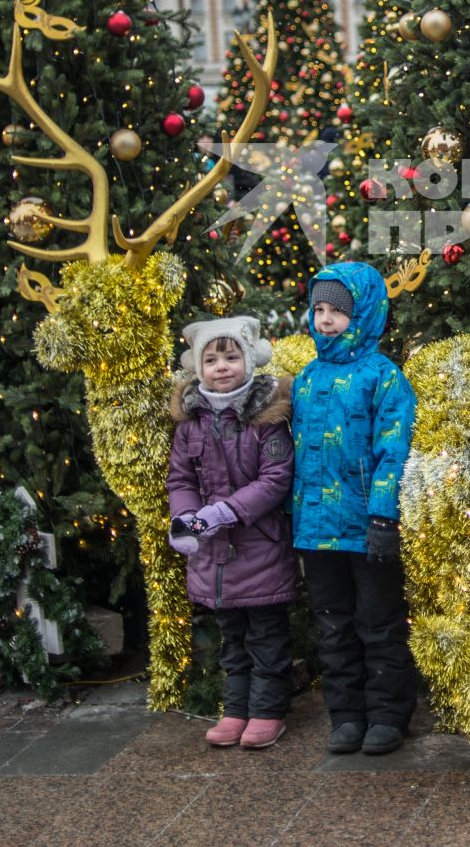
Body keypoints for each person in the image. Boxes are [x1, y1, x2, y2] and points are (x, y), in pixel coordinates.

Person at [290, 262, 418, 756]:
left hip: (366, 528)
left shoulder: (383, 377)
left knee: (378, 621)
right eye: (318, 309)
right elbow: (295, 452)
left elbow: (394, 449)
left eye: (337, 312)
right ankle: (346, 715)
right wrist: (291, 518)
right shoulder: (305, 377)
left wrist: (384, 516)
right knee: (333, 624)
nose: (325, 320)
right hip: (315, 529)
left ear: (363, 313)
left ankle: (387, 713)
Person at [166, 317, 297, 749]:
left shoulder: (266, 417)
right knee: (232, 639)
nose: (222, 366)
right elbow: (181, 479)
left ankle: (267, 711)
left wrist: (224, 512)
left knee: (265, 635)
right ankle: (235, 709)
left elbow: (275, 479)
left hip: (259, 546)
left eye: (231, 356)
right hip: (214, 555)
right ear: (197, 368)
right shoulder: (191, 424)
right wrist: (186, 518)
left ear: (249, 360)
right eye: (211, 358)